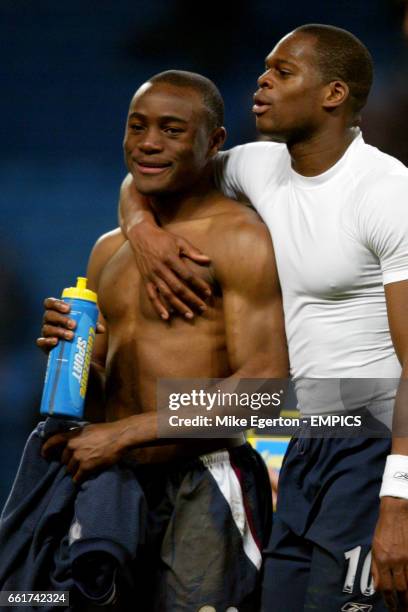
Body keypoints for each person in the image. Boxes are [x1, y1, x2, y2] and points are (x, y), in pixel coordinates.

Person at [117, 24, 408, 612]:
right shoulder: (258, 167)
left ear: (333, 94)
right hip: (309, 434)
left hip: (375, 441)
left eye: (283, 72)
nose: (262, 80)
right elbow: (151, 171)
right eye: (264, 69)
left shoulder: (387, 191)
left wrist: (399, 500)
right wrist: (142, 231)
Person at [38, 70, 289, 611]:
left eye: (172, 130)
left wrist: (127, 432)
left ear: (214, 142)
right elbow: (101, 385)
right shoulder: (110, 248)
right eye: (138, 126)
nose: (149, 143)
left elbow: (267, 388)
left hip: (206, 483)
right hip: (114, 483)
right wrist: (67, 357)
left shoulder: (239, 239)